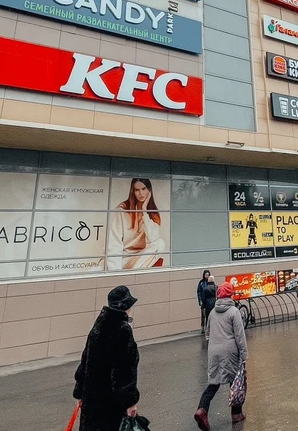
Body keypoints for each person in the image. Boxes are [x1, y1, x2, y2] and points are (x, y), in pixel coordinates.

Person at [74, 286, 140, 431]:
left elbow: (85, 360)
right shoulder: (123, 330)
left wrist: (79, 392)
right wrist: (130, 402)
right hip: (110, 403)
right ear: (127, 306)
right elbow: (124, 371)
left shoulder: (98, 325)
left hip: (91, 400)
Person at [194, 282, 247, 430]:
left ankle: (202, 409)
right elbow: (240, 336)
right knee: (235, 382)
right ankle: (236, 414)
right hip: (230, 351)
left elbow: (208, 332)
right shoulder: (234, 312)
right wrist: (244, 355)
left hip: (214, 351)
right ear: (230, 295)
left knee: (213, 383)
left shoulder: (212, 312)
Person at [106, 178, 166, 270]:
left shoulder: (152, 214)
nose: (141, 193)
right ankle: (127, 274)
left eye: (143, 189)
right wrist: (115, 272)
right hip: (122, 258)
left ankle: (132, 274)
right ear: (133, 192)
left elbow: (153, 239)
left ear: (149, 190)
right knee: (94, 271)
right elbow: (114, 243)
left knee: (160, 243)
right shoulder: (121, 210)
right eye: (137, 190)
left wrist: (144, 211)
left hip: (139, 259)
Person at [199, 273, 217, 338]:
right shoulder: (216, 287)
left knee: (208, 318)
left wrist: (203, 305)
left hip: (208, 305)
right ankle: (215, 331)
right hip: (215, 304)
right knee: (215, 317)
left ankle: (208, 332)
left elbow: (203, 298)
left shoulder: (205, 288)